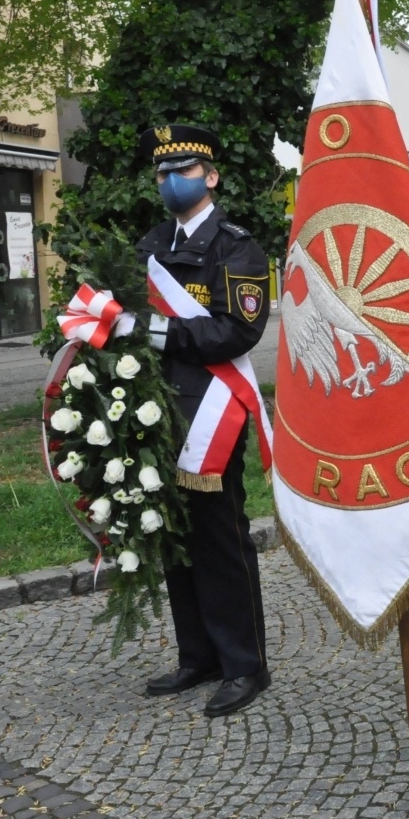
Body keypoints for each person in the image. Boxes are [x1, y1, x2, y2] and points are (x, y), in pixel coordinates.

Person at [134, 124, 273, 717]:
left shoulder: (235, 247)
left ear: (210, 176)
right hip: (156, 411)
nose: (171, 181)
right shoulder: (151, 242)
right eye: (163, 173)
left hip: (211, 411)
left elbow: (236, 330)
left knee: (220, 539)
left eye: (183, 170)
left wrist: (155, 330)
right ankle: (198, 656)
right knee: (175, 541)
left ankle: (244, 663)